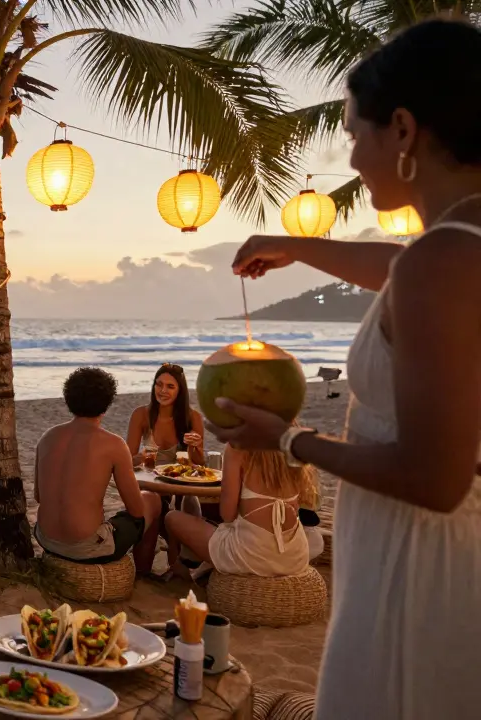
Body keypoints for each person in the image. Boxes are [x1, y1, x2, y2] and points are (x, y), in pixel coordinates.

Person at [209, 18, 481, 720]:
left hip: (418, 565)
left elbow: (435, 480)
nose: (354, 161)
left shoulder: (443, 260)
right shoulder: (455, 252)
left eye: (354, 135)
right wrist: (295, 244)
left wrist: (289, 440)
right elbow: (402, 273)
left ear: (403, 129)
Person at [34, 367, 163, 576]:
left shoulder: (47, 437)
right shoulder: (114, 444)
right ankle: (144, 574)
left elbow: (39, 496)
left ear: (69, 398)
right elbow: (137, 511)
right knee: (152, 500)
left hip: (45, 538)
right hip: (86, 548)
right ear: (107, 403)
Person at [163, 446, 318, 579]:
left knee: (172, 518)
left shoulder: (238, 447)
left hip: (251, 555)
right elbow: (300, 505)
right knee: (208, 527)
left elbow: (227, 515)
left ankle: (180, 574)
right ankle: (190, 561)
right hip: (295, 555)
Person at [125, 364, 206, 467]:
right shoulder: (141, 414)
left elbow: (199, 463)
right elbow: (127, 462)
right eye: (159, 384)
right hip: (148, 479)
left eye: (170, 386)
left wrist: (196, 446)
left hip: (178, 480)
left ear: (180, 390)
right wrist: (141, 457)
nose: (163, 390)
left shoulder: (193, 417)